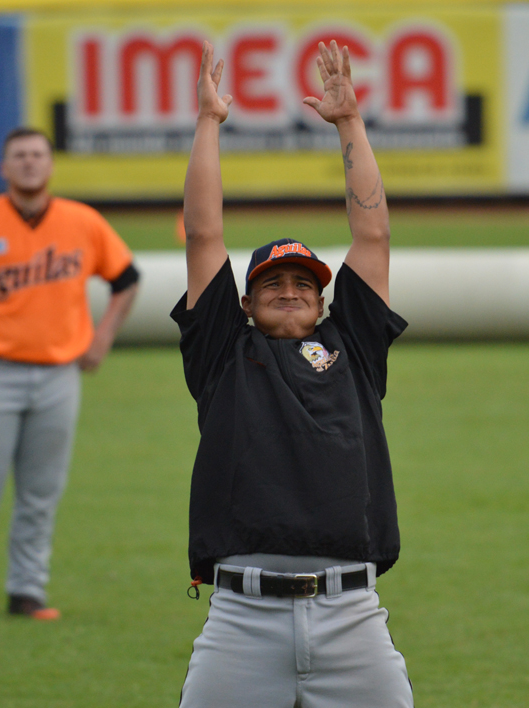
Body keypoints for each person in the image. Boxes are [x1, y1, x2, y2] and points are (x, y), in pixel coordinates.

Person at [170, 41, 414, 707]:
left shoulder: (354, 348)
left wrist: (350, 125)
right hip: (241, 621)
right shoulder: (223, 353)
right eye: (270, 281)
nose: (288, 290)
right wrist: (208, 124)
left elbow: (373, 240)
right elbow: (202, 237)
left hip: (353, 617)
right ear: (244, 303)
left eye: (302, 282)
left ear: (323, 300)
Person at [0, 127, 139, 621]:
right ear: (4, 167)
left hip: (59, 374)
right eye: (20, 156)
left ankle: (27, 590)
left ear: (50, 165)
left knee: (42, 490)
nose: (30, 163)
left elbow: (126, 278)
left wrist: (102, 337)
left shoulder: (81, 221)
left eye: (38, 154)